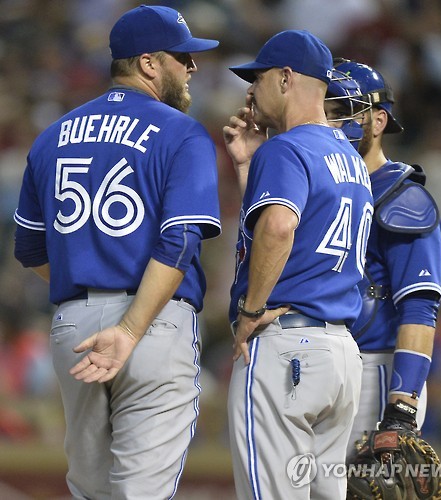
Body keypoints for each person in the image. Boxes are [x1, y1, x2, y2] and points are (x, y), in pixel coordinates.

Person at [13, 5, 221, 499]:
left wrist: (89, 283)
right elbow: (181, 241)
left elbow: (29, 249)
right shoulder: (180, 131)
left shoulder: (51, 137)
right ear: (149, 63)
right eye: (182, 58)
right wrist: (129, 326)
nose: (192, 68)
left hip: (75, 328)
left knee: (91, 491)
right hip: (150, 325)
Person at [222, 30, 374, 499]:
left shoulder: (286, 148)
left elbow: (280, 228)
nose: (250, 89)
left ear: (286, 78)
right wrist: (247, 168)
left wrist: (250, 312)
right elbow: (292, 226)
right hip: (342, 356)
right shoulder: (349, 157)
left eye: (259, 77)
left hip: (287, 345)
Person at [329, 60, 441, 460]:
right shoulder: (322, 188)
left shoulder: (401, 196)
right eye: (326, 110)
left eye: (343, 111)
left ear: (378, 121)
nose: (332, 122)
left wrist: (402, 406)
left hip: (375, 370)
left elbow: (419, 306)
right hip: (321, 364)